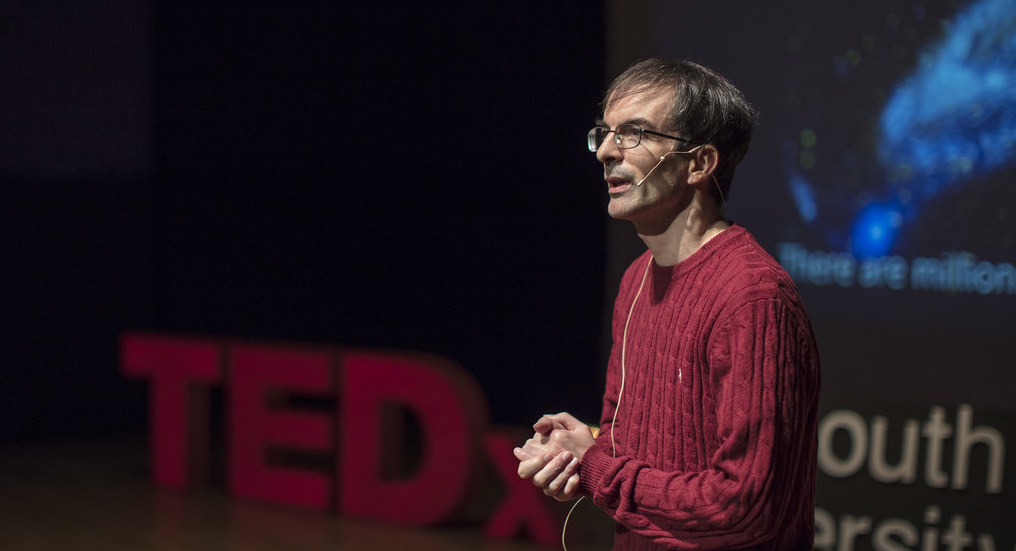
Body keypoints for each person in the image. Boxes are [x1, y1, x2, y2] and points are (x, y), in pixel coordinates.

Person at [514, 58, 821, 550]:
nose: (607, 152)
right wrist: (575, 453)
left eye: (635, 133)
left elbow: (742, 507)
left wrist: (597, 469)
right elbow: (628, 445)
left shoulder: (752, 297)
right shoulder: (637, 278)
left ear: (699, 163)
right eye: (606, 133)